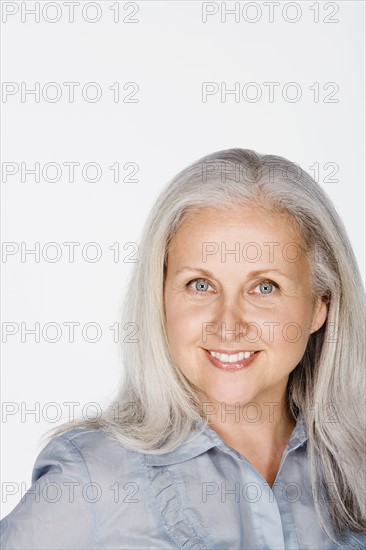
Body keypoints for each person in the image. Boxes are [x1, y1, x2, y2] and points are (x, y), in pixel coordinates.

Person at [1, 148, 365, 549]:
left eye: (264, 287)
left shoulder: (354, 471)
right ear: (160, 298)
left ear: (320, 305)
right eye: (200, 285)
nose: (228, 325)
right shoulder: (92, 478)